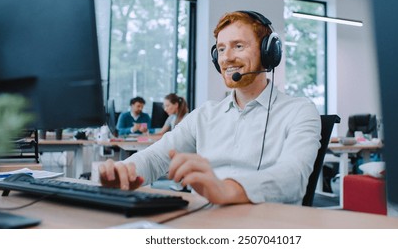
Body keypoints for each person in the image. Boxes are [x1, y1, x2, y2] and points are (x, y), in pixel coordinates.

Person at [99, 11, 321, 205]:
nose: (227, 58)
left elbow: (293, 176)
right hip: (205, 221)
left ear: (268, 52)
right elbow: (156, 157)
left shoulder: (299, 111)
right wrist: (125, 171)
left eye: (239, 46)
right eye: (221, 49)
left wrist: (226, 189)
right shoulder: (205, 115)